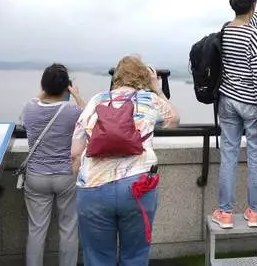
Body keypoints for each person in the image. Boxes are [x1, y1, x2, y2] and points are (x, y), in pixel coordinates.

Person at [71, 55, 180, 266]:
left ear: (116, 77)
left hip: (93, 187)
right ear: (144, 76)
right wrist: (156, 88)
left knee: (98, 258)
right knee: (136, 256)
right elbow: (174, 119)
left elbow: (75, 151)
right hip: (138, 186)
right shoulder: (150, 99)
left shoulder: (96, 100)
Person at [211, 0, 257, 229]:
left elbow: (248, 22)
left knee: (228, 155)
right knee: (256, 158)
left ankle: (225, 213)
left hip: (227, 101)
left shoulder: (227, 30)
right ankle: (253, 213)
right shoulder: (256, 35)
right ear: (252, 5)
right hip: (251, 104)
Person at [20, 63, 85, 266]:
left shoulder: (29, 109)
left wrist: (46, 89)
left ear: (43, 86)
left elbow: (35, 100)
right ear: (67, 86)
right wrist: (75, 94)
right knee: (68, 228)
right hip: (66, 175)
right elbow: (90, 118)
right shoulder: (73, 111)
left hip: (36, 177)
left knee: (36, 229)